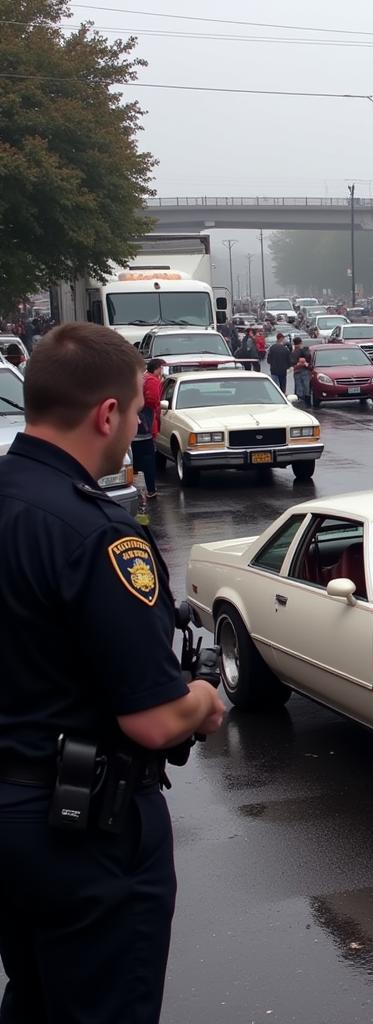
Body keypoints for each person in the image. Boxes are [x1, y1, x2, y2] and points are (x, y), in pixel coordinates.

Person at [0, 321, 225, 1024]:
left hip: (10, 821)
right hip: (84, 833)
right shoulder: (99, 536)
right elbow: (153, 718)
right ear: (105, 415)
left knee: (34, 999)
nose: (136, 427)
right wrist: (203, 698)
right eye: (134, 413)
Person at [133, 357, 165, 501]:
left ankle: (135, 488)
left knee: (135, 460)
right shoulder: (152, 381)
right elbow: (153, 401)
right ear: (157, 368)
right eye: (162, 368)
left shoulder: (142, 379)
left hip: (135, 429)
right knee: (147, 460)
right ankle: (150, 489)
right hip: (144, 429)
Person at [291, 337, 312, 407]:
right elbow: (309, 357)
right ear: (301, 343)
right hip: (304, 370)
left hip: (297, 371)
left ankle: (300, 402)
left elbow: (291, 362)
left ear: (294, 344)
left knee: (299, 387)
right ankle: (307, 403)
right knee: (306, 387)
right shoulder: (304, 351)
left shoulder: (293, 352)